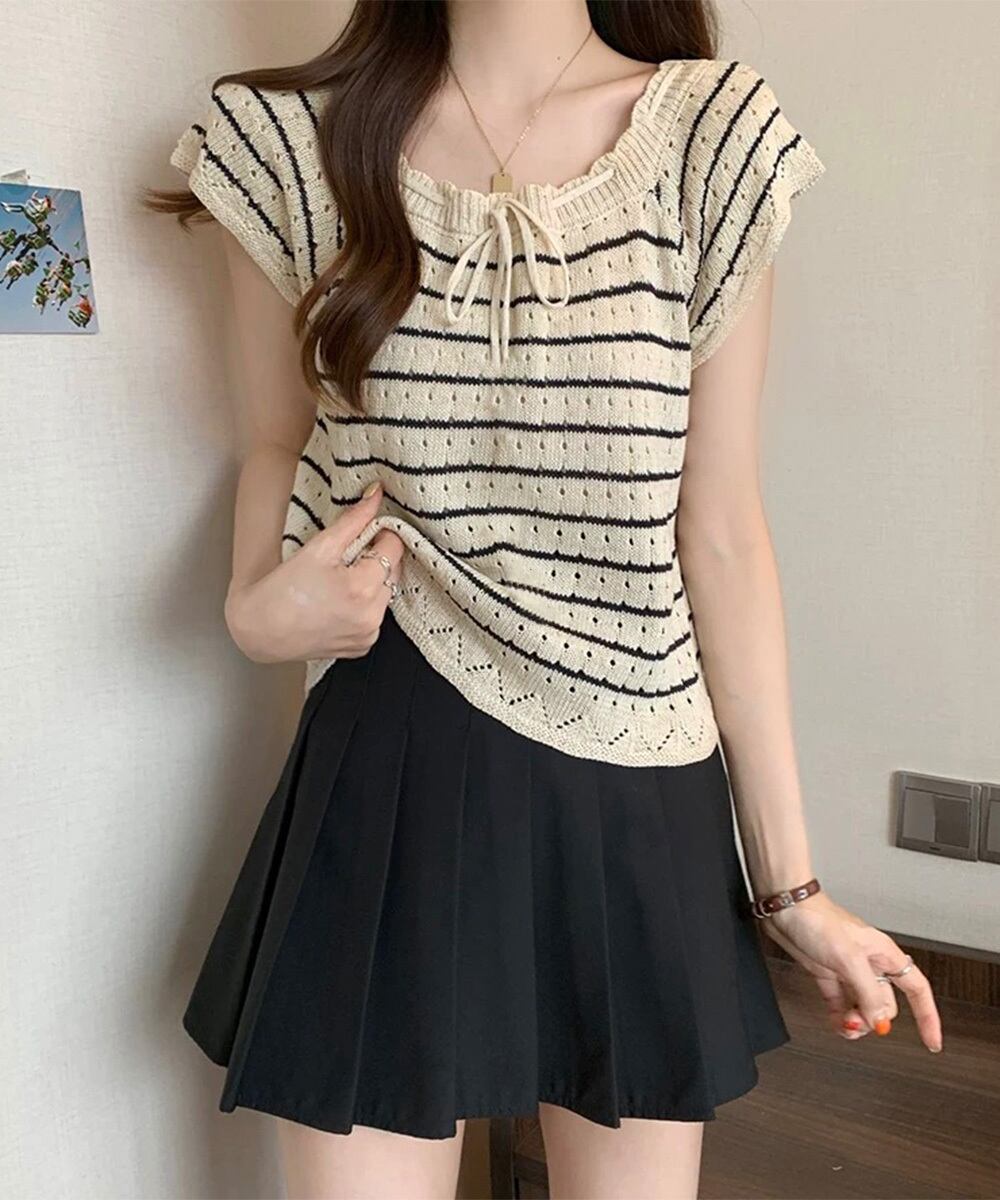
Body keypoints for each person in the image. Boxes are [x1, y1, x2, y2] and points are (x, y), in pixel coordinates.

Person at [145, 1, 943, 1196]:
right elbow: (271, 442)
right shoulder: (285, 142)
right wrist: (252, 608)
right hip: (392, 749)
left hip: (638, 778)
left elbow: (720, 528)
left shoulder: (710, 134)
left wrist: (792, 886)